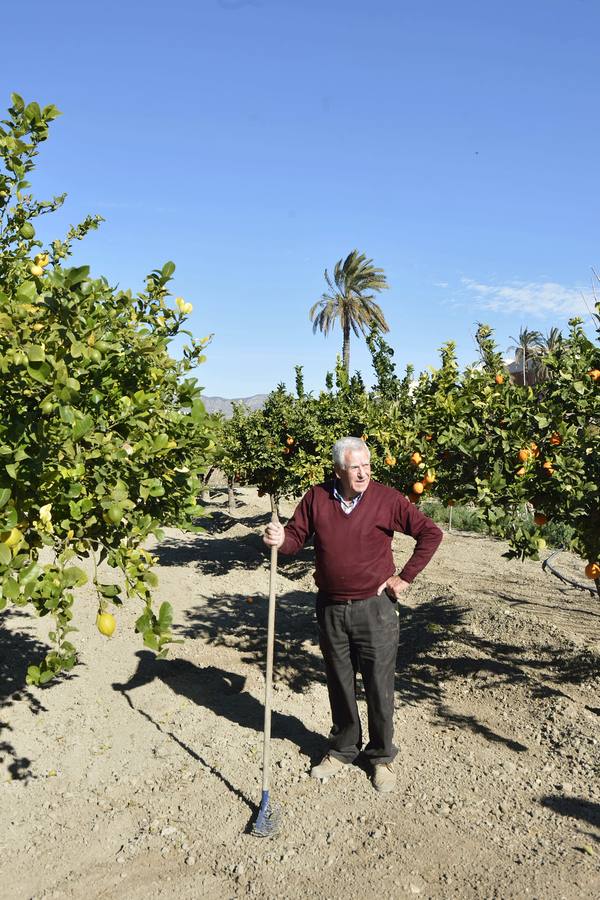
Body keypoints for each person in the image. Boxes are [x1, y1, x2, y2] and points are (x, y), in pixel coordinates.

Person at [263, 436, 443, 793]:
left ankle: (381, 756)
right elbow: (296, 539)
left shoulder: (386, 499)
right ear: (338, 470)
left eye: (366, 466)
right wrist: (279, 538)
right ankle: (344, 747)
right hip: (330, 607)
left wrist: (404, 577)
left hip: (375, 610)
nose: (362, 473)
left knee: (379, 685)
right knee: (339, 683)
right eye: (354, 467)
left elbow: (430, 533)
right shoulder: (317, 497)